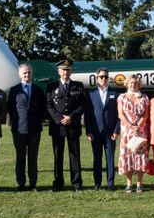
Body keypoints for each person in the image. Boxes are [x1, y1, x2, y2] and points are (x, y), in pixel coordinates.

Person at [46, 59, 86, 191]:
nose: (66, 72)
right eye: (63, 69)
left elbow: (82, 105)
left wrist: (71, 117)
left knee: (74, 155)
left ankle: (77, 184)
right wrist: (59, 119)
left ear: (71, 71)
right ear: (58, 71)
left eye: (68, 70)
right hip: (58, 126)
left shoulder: (78, 86)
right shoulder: (51, 86)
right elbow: (49, 105)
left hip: (73, 124)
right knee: (58, 156)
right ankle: (58, 183)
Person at [7, 64, 45, 191]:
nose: (27, 75)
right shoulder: (14, 90)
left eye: (29, 73)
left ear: (32, 74)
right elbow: (10, 108)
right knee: (20, 157)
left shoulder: (38, 90)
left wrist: (37, 121)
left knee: (33, 157)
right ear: (20, 75)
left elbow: (42, 109)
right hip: (19, 129)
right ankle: (21, 183)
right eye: (24, 73)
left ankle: (33, 184)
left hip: (34, 129)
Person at [84, 67, 120, 191]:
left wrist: (116, 131)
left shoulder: (115, 94)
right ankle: (97, 183)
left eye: (105, 76)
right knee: (97, 159)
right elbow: (87, 115)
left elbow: (118, 115)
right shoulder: (90, 94)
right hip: (95, 132)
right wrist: (88, 131)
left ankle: (110, 183)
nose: (103, 79)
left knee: (110, 159)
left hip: (110, 133)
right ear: (96, 78)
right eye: (101, 77)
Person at [118, 75, 151, 192]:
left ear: (139, 84)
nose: (133, 85)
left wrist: (138, 126)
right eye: (131, 83)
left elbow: (146, 114)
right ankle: (129, 183)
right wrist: (131, 126)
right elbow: (121, 114)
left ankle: (139, 184)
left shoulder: (144, 97)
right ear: (127, 84)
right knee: (128, 157)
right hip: (127, 132)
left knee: (140, 157)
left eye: (136, 83)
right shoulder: (121, 97)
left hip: (141, 131)